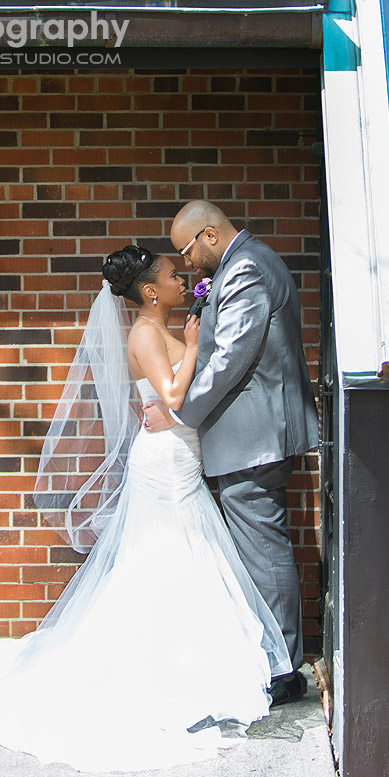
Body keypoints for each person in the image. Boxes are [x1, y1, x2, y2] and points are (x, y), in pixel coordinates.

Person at [0, 245, 293, 773]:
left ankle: (187, 663)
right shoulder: (144, 333)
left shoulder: (161, 330)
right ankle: (155, 667)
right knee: (165, 561)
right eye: (174, 277)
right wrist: (199, 344)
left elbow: (173, 400)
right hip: (166, 467)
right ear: (151, 291)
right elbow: (176, 395)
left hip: (182, 456)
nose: (184, 281)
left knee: (186, 562)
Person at [142, 202, 319, 707]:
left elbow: (231, 358)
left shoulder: (246, 269)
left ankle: (284, 670)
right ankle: (272, 659)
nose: (189, 262)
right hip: (250, 435)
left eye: (187, 250)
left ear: (209, 235)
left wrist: (178, 416)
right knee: (257, 550)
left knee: (263, 550)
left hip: (254, 436)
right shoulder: (246, 263)